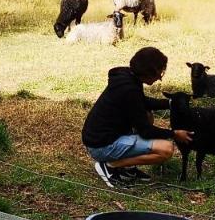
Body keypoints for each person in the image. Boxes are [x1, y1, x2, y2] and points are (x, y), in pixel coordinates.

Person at [82, 46, 192, 187]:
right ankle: (111, 165)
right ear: (148, 71)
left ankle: (128, 168)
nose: (160, 78)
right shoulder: (129, 89)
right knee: (166, 149)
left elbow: (142, 102)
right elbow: (145, 131)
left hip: (102, 137)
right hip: (102, 146)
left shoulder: (128, 77)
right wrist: (174, 134)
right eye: (159, 72)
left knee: (147, 114)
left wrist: (171, 103)